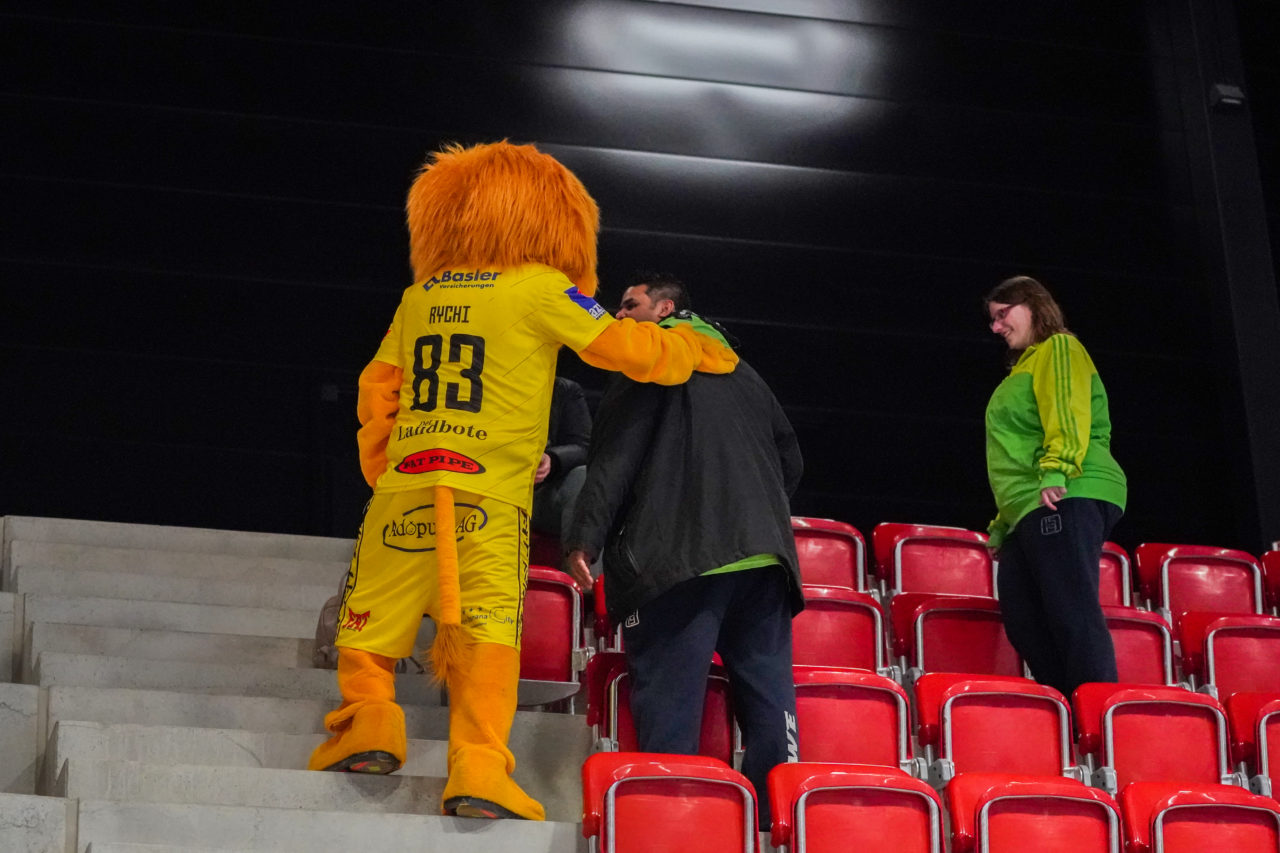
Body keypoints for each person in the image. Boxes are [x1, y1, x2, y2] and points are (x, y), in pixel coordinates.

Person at [306, 142, 739, 822]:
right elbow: (627, 349)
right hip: (490, 490)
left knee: (372, 618)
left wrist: (383, 466)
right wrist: (697, 345)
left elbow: (376, 391)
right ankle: (477, 766)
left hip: (404, 486)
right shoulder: (541, 288)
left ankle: (368, 723)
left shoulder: (421, 295)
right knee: (488, 632)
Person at [564, 272, 803, 831]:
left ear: (666, 308)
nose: (619, 317)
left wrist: (584, 538)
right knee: (772, 707)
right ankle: (778, 828)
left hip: (679, 557)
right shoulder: (746, 374)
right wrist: (752, 514)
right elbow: (791, 459)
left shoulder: (647, 362)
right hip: (764, 563)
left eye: (630, 305)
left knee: (672, 710)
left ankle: (677, 831)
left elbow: (613, 461)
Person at [984, 275, 1128, 701]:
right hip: (1027, 505)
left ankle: (1098, 717)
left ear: (1032, 305)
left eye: (1002, 314)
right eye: (992, 320)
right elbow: (1010, 454)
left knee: (1071, 611)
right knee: (1024, 620)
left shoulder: (1058, 349)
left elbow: (1066, 411)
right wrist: (1001, 522)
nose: (996, 327)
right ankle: (1068, 709)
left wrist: (1057, 471)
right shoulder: (1024, 368)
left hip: (1067, 489)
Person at [530, 376, 591, 540]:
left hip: (536, 493)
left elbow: (584, 447)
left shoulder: (564, 390)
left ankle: (579, 562)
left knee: (583, 477)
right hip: (487, 482)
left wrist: (553, 459)